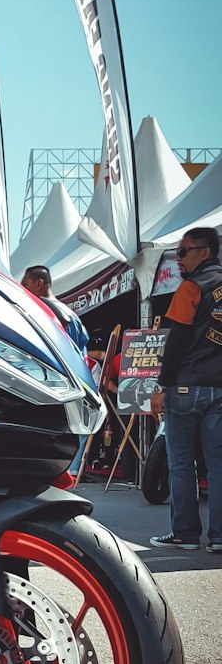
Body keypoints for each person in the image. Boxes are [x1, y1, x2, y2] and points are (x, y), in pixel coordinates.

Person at [148, 226, 222, 551]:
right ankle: (220, 537)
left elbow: (175, 341)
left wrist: (161, 386)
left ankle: (186, 533)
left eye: (183, 252)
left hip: (185, 387)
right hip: (219, 389)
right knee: (218, 463)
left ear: (204, 252)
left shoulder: (191, 287)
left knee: (181, 461)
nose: (178, 260)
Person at [21, 265, 89, 355]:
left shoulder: (52, 313)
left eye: (25, 285)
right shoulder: (69, 314)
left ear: (38, 284)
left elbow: (67, 352)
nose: (22, 290)